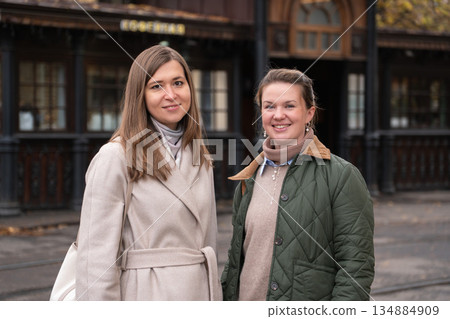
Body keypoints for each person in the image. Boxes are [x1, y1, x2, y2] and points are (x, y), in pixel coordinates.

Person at [75, 45, 221, 300]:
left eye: (178, 82)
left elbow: (209, 241)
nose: (171, 94)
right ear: (139, 95)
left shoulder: (200, 157)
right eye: (156, 86)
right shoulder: (115, 157)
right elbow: (95, 259)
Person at [221, 68, 374, 301]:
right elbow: (236, 260)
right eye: (269, 106)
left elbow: (356, 269)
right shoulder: (248, 179)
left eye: (289, 106)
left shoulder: (341, 176)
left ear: (309, 112)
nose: (278, 115)